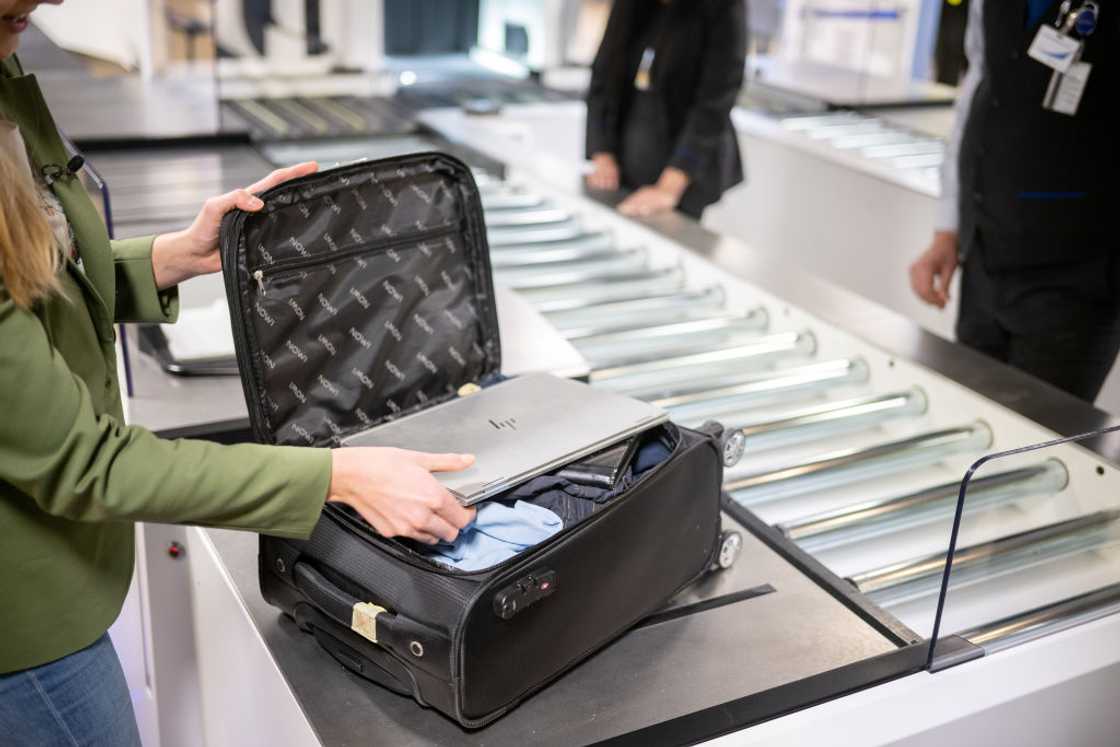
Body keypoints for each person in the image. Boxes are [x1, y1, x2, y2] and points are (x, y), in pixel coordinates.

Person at [0, 2, 476, 743]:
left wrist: (173, 256)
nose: (39, 13)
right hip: (24, 631)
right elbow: (82, 461)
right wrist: (333, 477)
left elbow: (31, 272)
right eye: (7, 15)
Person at [909, 0, 1120, 403]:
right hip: (984, 256)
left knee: (1037, 450)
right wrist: (947, 229)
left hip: (1077, 277)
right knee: (972, 421)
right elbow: (977, 86)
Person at [584, 0, 746, 220]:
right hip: (625, 164)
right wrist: (602, 153)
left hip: (686, 169)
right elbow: (603, 78)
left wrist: (669, 187)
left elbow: (714, 104)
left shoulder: (724, 7)